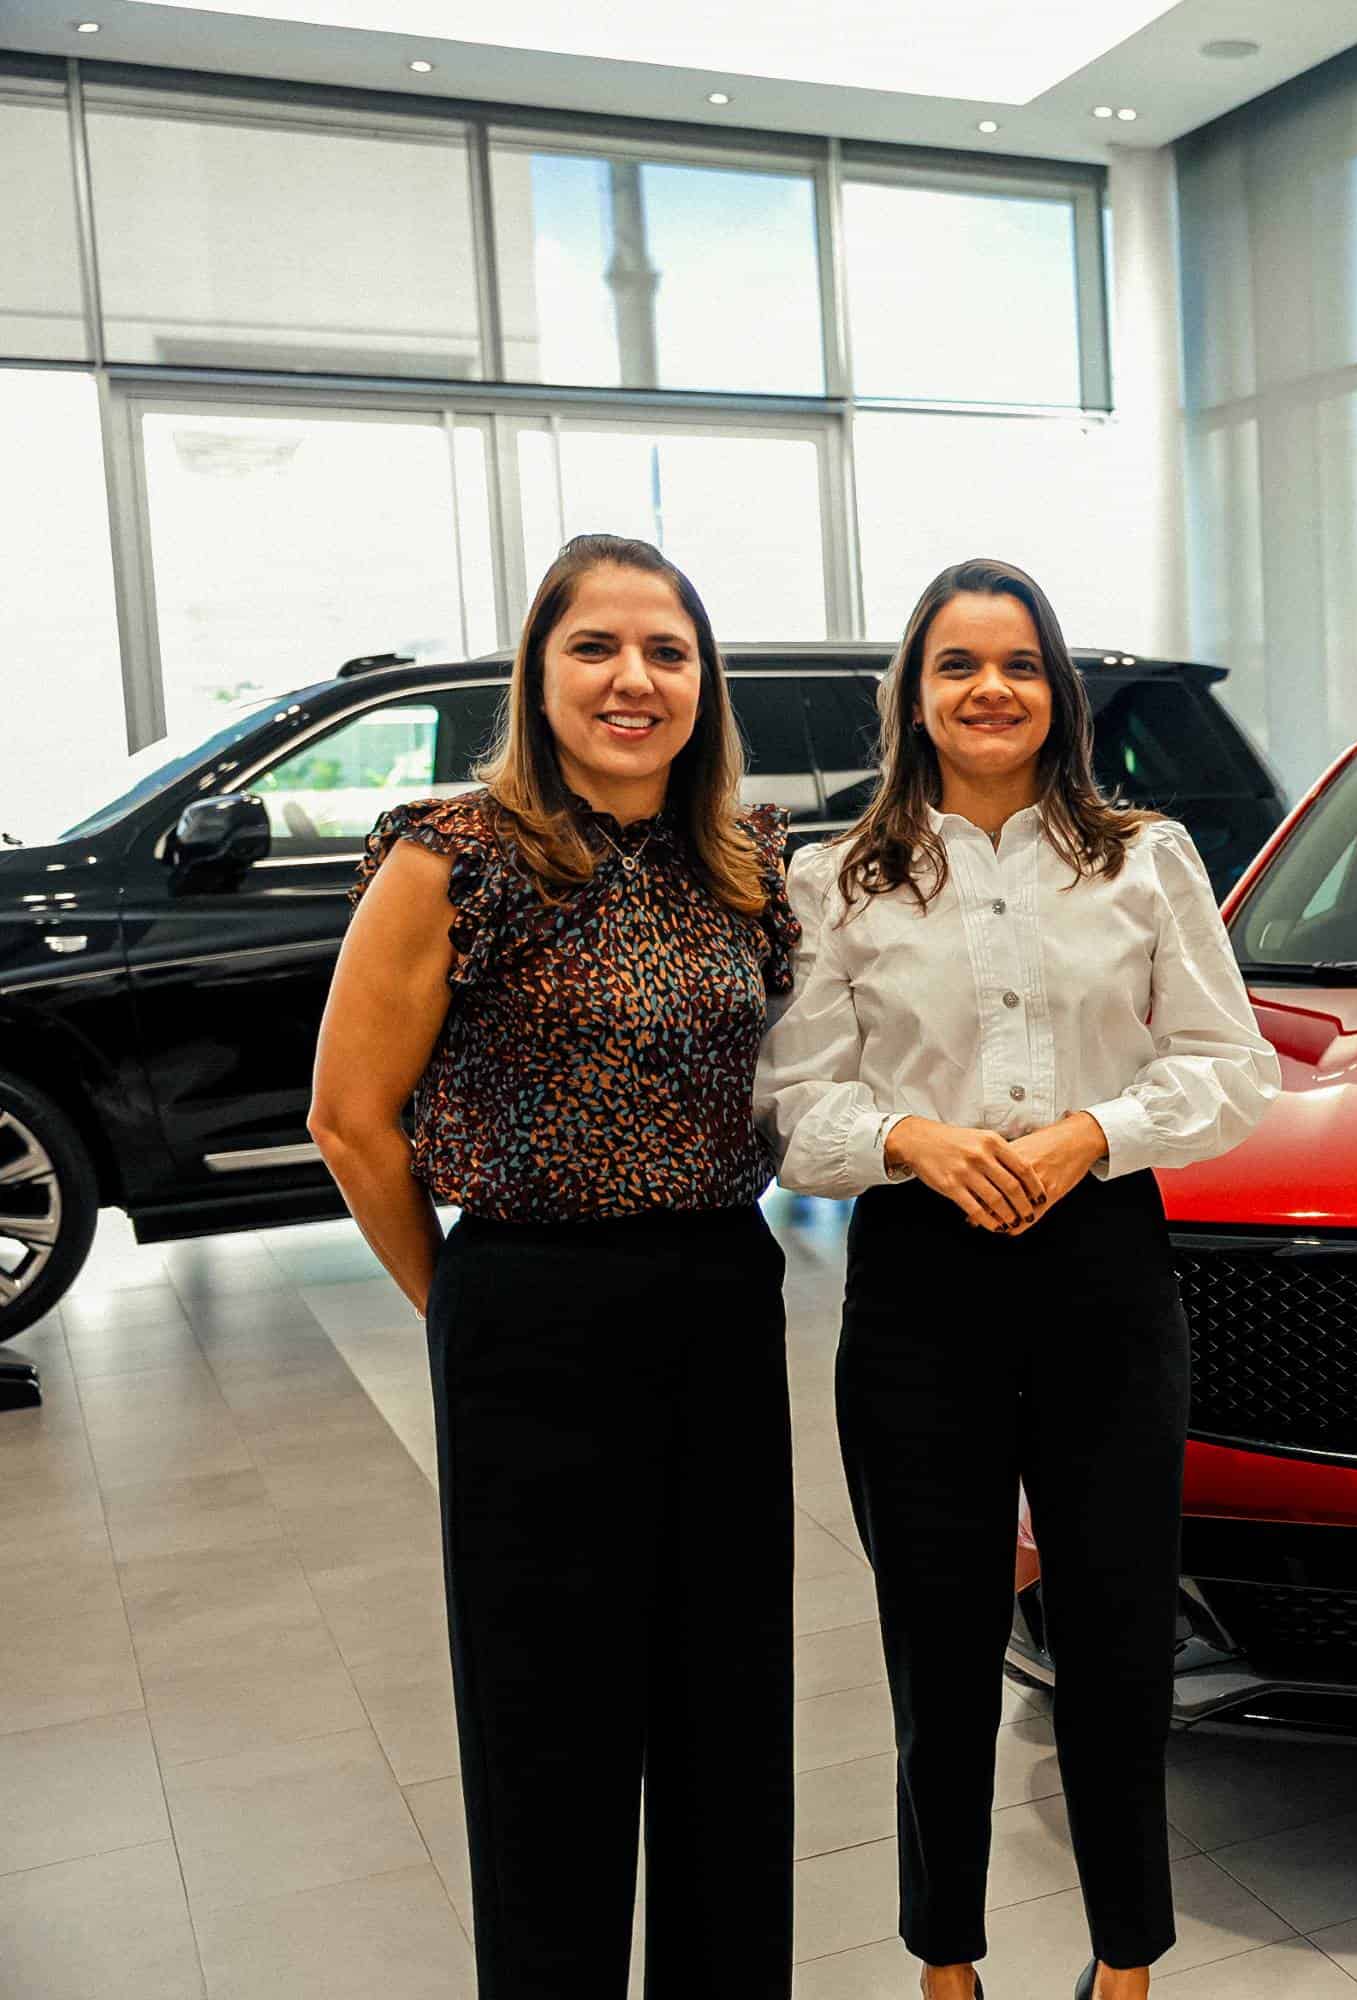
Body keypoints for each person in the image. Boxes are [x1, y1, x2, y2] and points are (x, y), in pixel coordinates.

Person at [755, 558, 1278, 2000]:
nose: (991, 690)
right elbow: (796, 1105)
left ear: (1060, 692)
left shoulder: (1144, 857)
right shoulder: (836, 879)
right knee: (937, 1641)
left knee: (1116, 1634)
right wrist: (912, 1138)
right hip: (923, 1281)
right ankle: (947, 1960)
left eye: (1020, 665)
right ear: (912, 697)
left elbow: (1234, 1068)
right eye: (957, 666)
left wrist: (1094, 1135)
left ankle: (1127, 1963)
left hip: (1105, 1263)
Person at [309, 533, 800, 1997]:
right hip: (533, 1303)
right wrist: (463, 1302)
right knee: (549, 1722)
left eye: (666, 650)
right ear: (539, 672)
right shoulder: (454, 855)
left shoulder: (746, 863)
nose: (632, 678)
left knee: (728, 1710)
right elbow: (348, 1120)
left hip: (720, 1294)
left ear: (703, 683)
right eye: (596, 647)